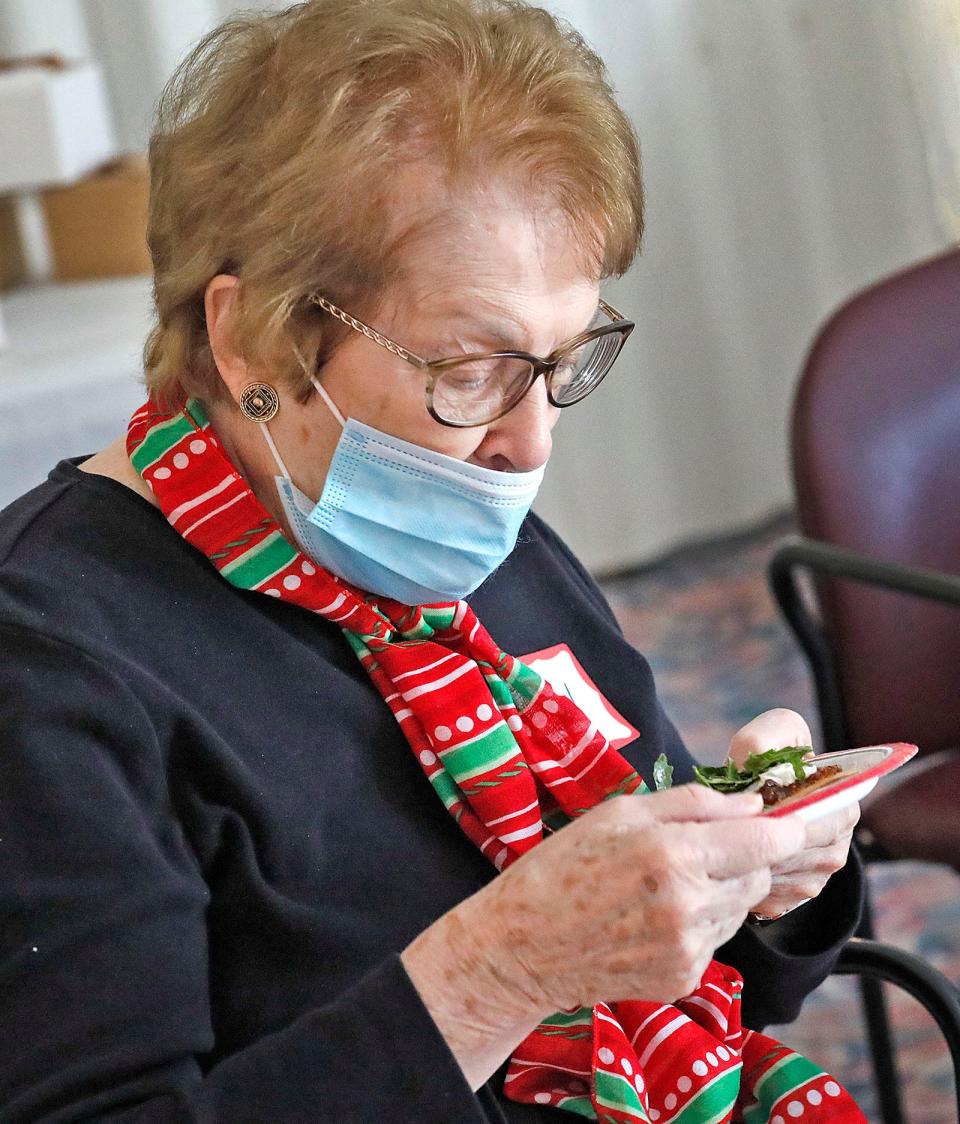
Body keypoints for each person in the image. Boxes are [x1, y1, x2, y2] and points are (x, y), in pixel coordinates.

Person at [0, 1, 864, 1120]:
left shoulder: (471, 543)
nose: (530, 442)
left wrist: (767, 871)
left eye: (564, 358)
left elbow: (725, 991)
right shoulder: (51, 667)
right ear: (253, 336)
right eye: (468, 369)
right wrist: (495, 973)